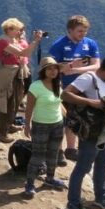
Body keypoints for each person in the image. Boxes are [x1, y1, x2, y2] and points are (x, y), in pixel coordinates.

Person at [62, 54, 105, 209]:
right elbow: (65, 94)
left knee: (102, 163)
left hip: (104, 131)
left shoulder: (104, 81)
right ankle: (73, 203)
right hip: (90, 131)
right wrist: (92, 103)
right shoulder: (88, 78)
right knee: (83, 167)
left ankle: (101, 196)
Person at [49, 15, 101, 164]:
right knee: (60, 119)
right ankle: (58, 151)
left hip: (83, 88)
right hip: (61, 87)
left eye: (85, 31)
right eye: (79, 31)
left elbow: (97, 65)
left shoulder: (90, 44)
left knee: (75, 119)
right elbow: (53, 68)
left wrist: (77, 70)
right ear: (70, 30)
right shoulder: (58, 45)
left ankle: (71, 149)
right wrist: (71, 66)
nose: (83, 34)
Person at [22, 57, 68, 198]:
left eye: (55, 68)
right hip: (40, 125)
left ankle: (50, 178)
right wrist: (27, 125)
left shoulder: (57, 84)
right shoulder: (36, 86)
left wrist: (65, 114)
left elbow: (58, 102)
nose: (53, 71)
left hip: (57, 124)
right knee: (38, 156)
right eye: (49, 68)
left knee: (53, 153)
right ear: (43, 71)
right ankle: (29, 184)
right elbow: (29, 108)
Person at [0, 19, 44, 143]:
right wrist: (36, 40)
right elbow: (23, 52)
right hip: (7, 75)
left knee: (16, 100)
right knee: (7, 101)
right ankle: (1, 132)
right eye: (18, 29)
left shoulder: (13, 41)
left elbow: (23, 54)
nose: (20, 32)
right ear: (9, 29)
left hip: (17, 74)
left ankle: (9, 125)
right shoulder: (3, 42)